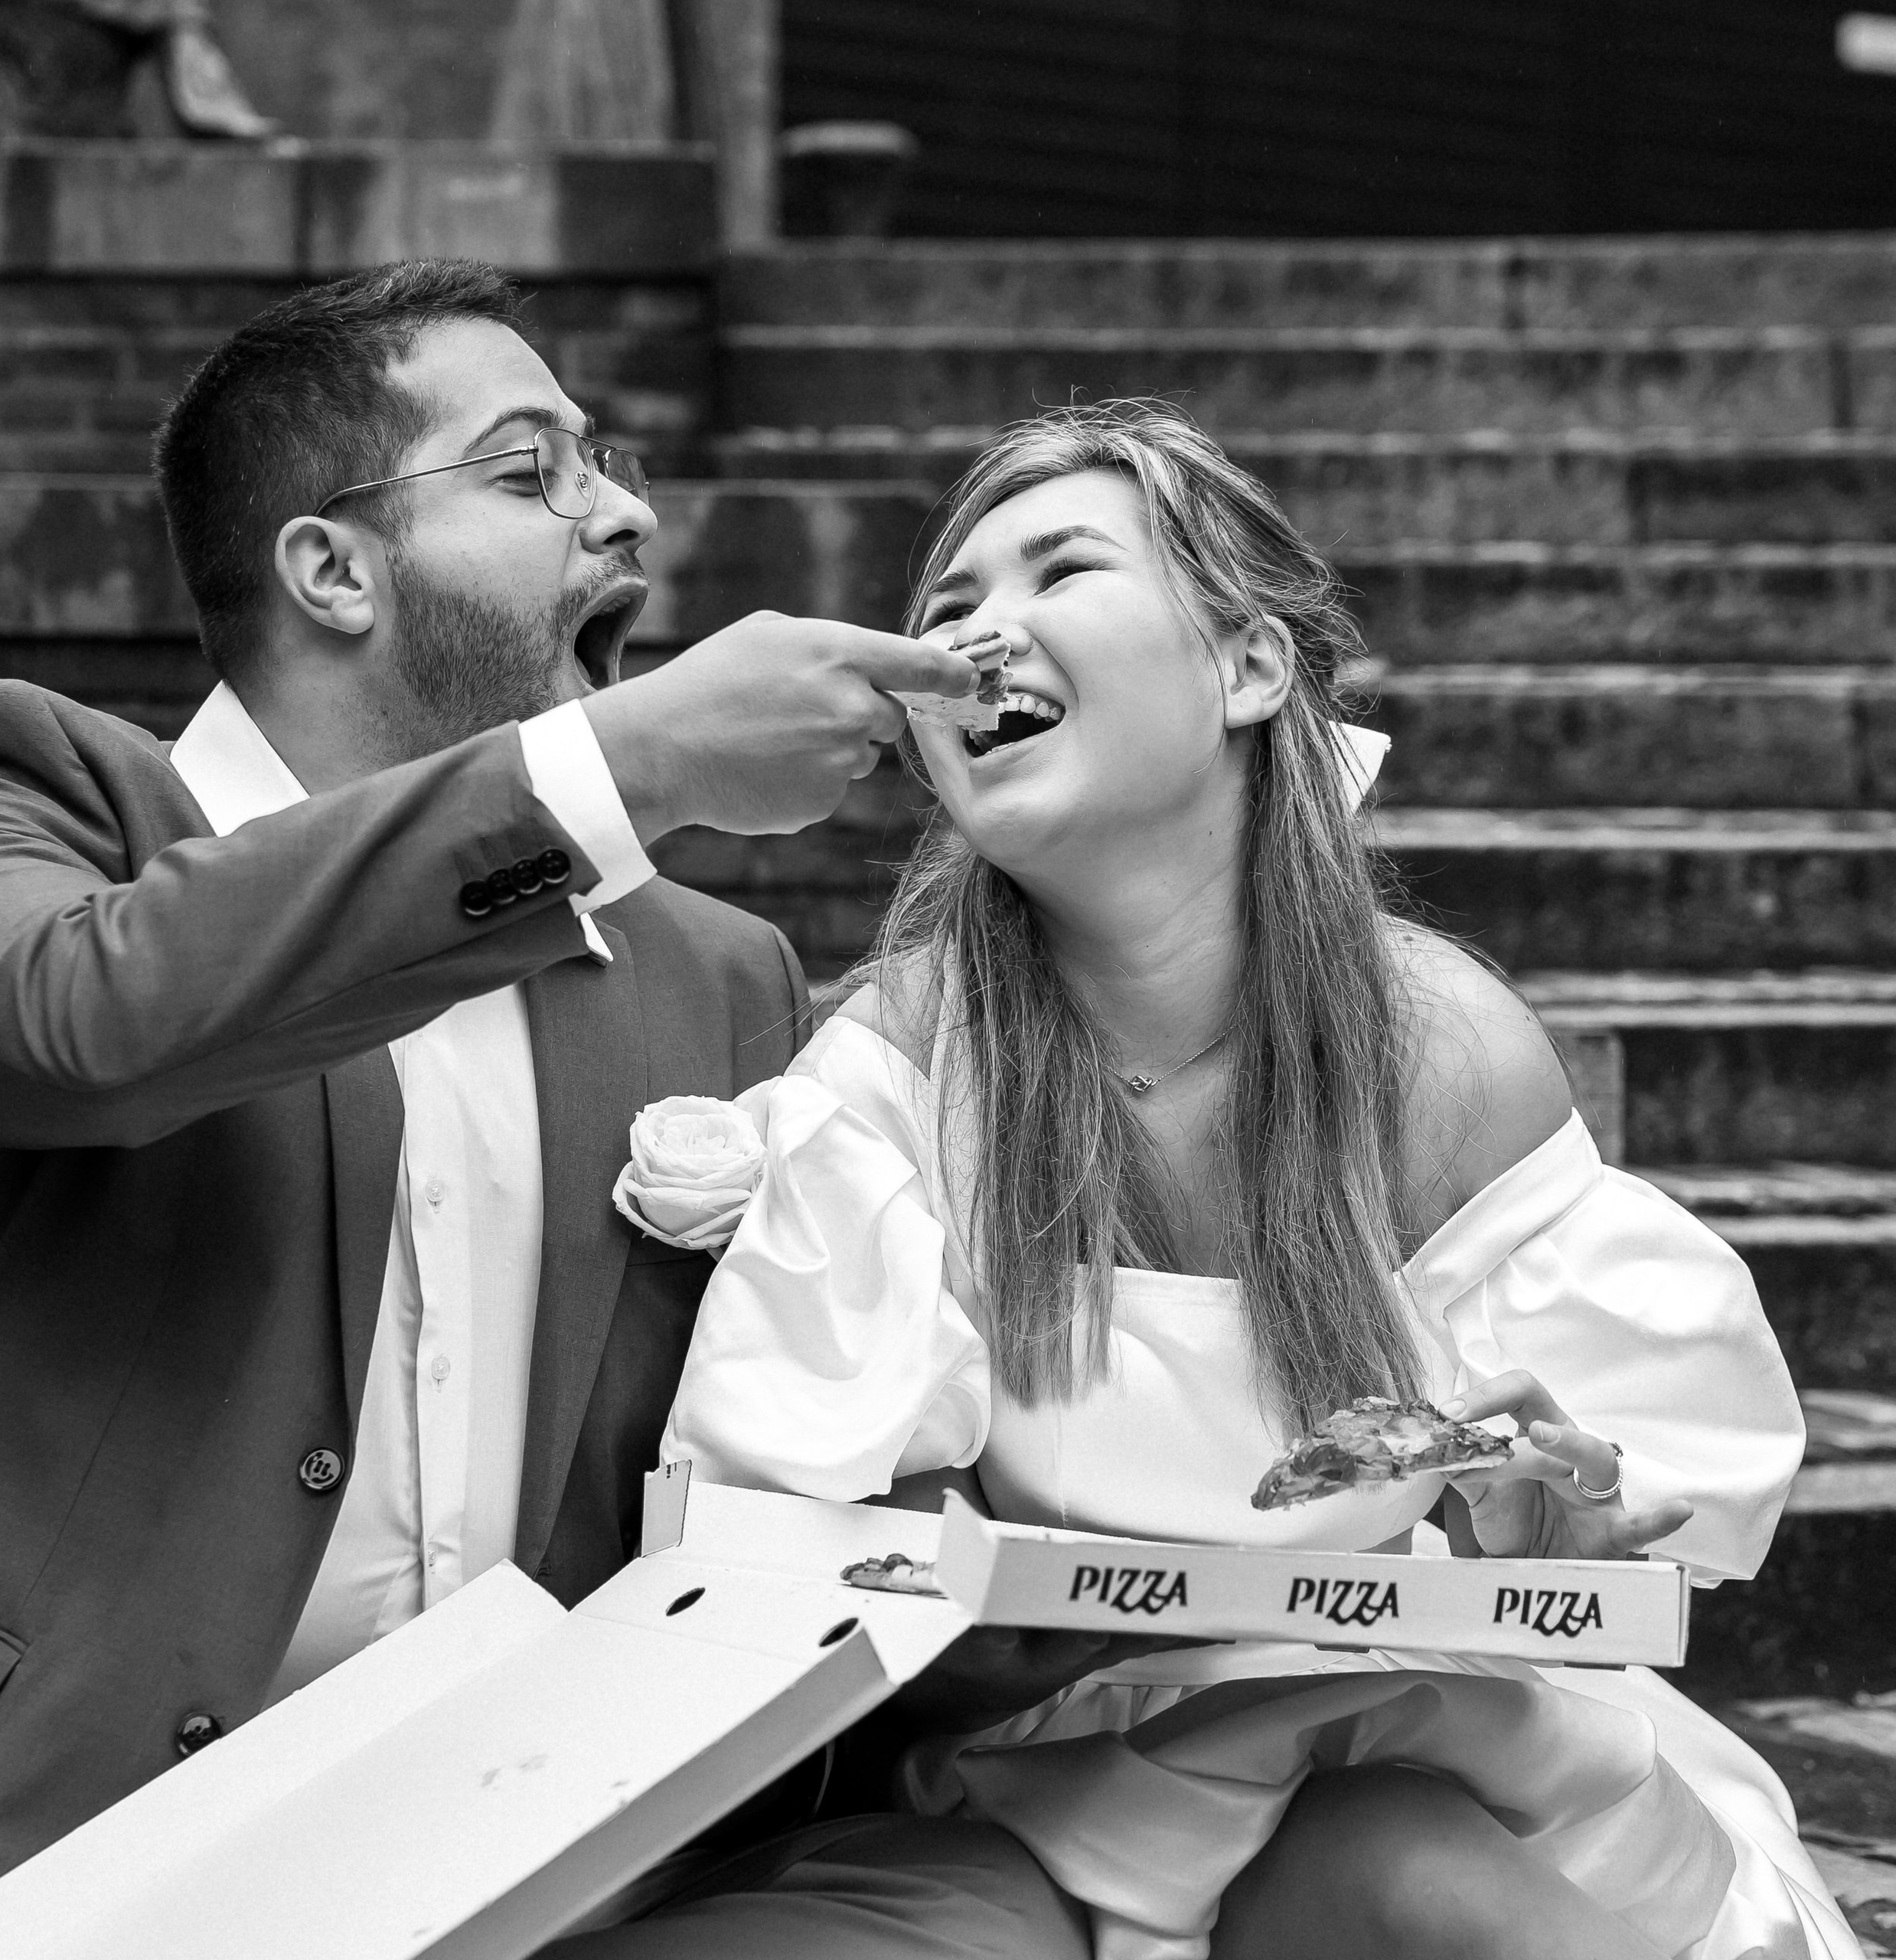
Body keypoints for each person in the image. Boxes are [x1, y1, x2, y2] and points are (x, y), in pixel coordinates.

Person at [0, 258, 1095, 1958]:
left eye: (606, 462)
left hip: (539, 1869)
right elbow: (71, 1023)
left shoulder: (720, 975)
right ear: (333, 568)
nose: (621, 513)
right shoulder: (27, 798)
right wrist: (633, 767)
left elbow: (769, 1452)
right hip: (64, 1863)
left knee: (991, 1915)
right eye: (531, 470)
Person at [662, 400, 1860, 1960]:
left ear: (1247, 667)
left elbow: (1614, 1524)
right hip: (1051, 1792)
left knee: (1407, 1847)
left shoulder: (1438, 1044)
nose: (975, 636)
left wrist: (1544, 1515)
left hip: (1423, 1735)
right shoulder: (898, 1063)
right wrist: (952, 1573)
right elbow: (799, 1566)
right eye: (947, 606)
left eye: (1059, 571)